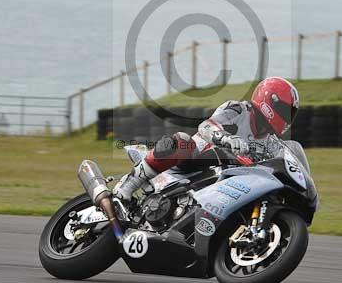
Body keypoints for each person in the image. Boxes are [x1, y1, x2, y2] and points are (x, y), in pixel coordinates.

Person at [113, 76, 300, 201]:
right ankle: (128, 185)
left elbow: (285, 165)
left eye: (291, 114)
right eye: (285, 111)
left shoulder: (271, 143)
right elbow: (206, 126)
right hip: (196, 159)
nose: (287, 118)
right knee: (182, 142)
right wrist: (227, 139)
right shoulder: (238, 110)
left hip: (228, 180)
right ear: (270, 102)